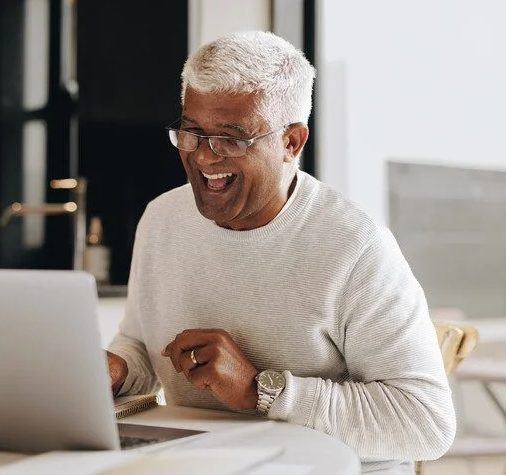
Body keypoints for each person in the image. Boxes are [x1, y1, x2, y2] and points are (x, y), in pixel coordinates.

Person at [106, 30, 455, 473]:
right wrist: (117, 369)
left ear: (292, 142)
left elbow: (425, 423)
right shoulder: (161, 219)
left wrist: (261, 389)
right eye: (192, 134)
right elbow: (142, 347)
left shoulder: (356, 246)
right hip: (202, 462)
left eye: (231, 139)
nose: (205, 158)